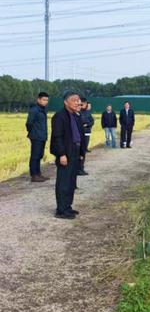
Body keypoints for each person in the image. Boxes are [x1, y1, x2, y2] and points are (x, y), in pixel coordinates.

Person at [50, 91, 86, 219]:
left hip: (75, 152)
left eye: (79, 100)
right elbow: (57, 137)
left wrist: (82, 152)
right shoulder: (59, 117)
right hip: (65, 153)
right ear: (66, 102)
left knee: (71, 181)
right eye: (74, 100)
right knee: (63, 181)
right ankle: (61, 210)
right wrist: (61, 154)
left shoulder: (76, 116)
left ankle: (68, 206)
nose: (78, 102)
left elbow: (80, 136)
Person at [25, 91, 49, 182]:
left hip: (42, 136)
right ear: (38, 99)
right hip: (36, 136)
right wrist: (32, 133)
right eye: (43, 100)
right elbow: (29, 123)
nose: (45, 102)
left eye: (47, 100)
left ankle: (38, 174)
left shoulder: (43, 110)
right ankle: (34, 175)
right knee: (35, 156)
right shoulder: (34, 110)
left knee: (39, 155)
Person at [78, 98, 94, 175]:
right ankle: (77, 169)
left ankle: (81, 168)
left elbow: (92, 121)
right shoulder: (77, 112)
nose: (83, 105)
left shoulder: (88, 112)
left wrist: (87, 124)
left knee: (83, 152)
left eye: (84, 103)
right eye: (81, 103)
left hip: (86, 133)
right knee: (78, 152)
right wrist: (82, 125)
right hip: (78, 134)